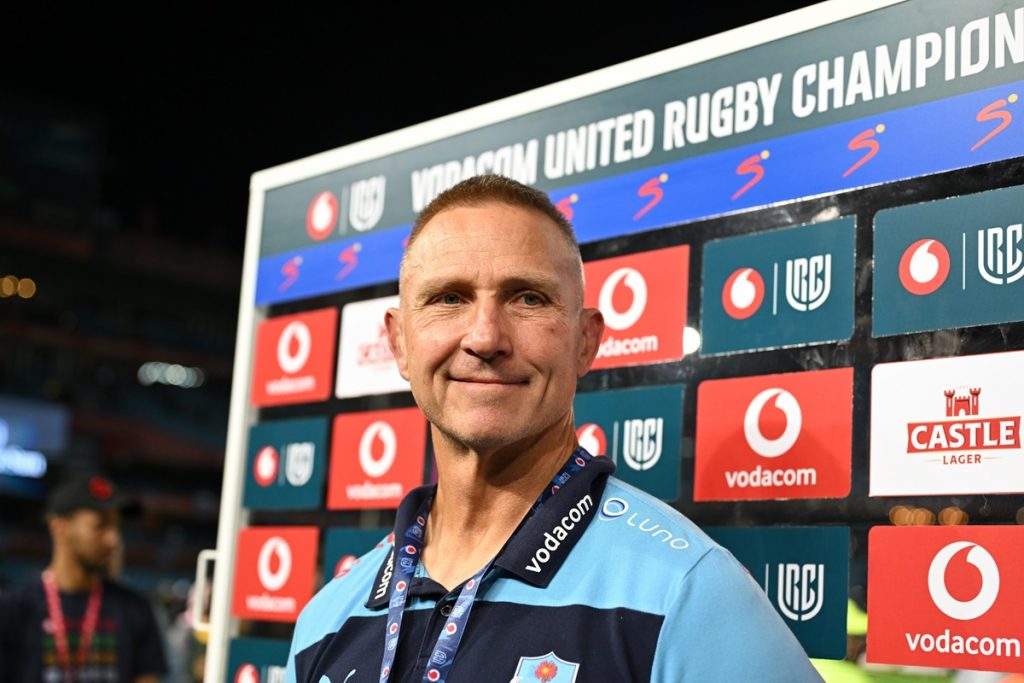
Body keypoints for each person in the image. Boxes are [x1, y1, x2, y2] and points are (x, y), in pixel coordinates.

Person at [286, 174, 822, 682]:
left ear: (586, 342)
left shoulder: (687, 591)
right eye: (449, 298)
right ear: (400, 343)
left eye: (528, 298)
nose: (485, 338)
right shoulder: (326, 619)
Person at [0, 474, 168, 683]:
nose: (113, 539)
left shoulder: (135, 608)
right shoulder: (13, 609)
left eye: (117, 526)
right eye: (100, 525)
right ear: (58, 527)